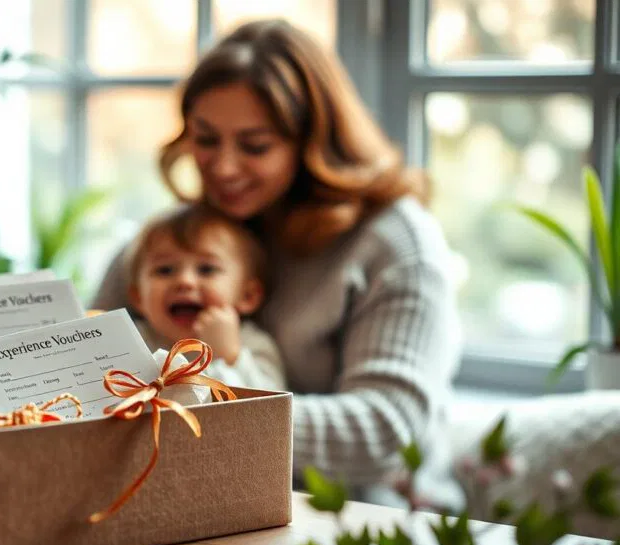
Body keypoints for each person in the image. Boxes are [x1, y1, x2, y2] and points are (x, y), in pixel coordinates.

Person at [93, 19, 462, 504]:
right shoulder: (178, 240)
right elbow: (88, 354)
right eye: (205, 139)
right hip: (201, 501)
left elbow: (387, 432)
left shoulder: (396, 245)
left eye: (255, 146)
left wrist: (198, 408)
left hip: (365, 517)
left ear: (314, 143)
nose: (222, 168)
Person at [125, 204, 285, 390]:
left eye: (206, 269)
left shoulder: (251, 344)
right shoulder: (130, 343)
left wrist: (228, 358)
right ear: (138, 297)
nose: (185, 281)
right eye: (165, 270)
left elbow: (274, 411)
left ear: (247, 296)